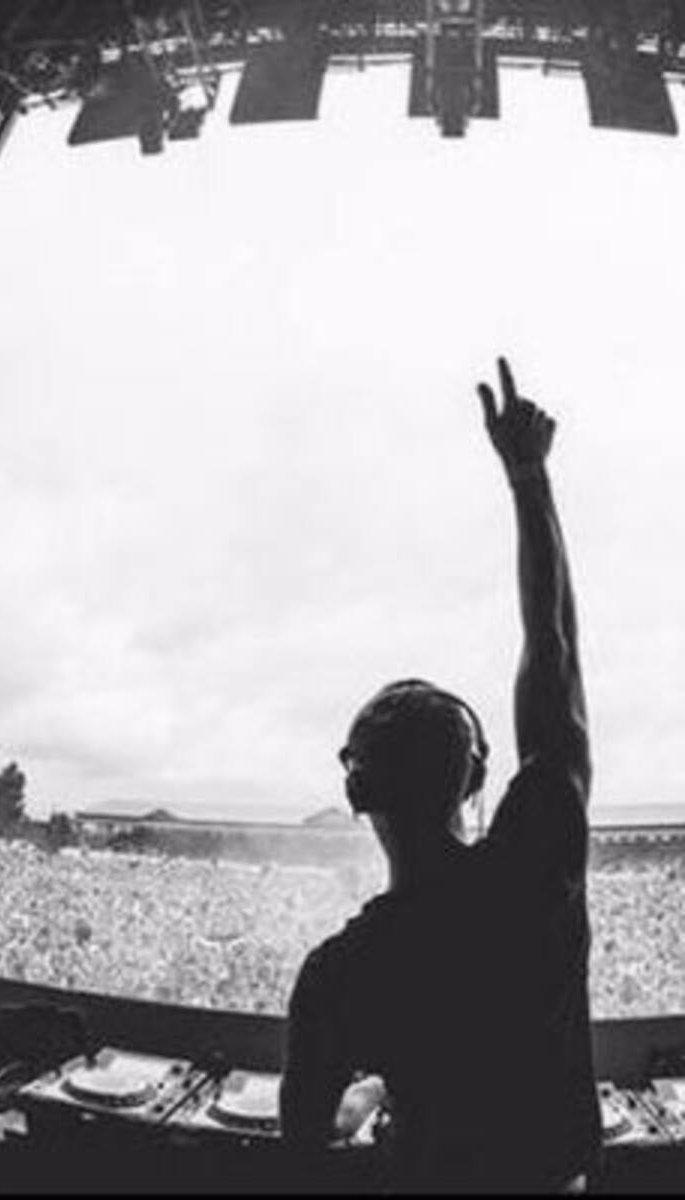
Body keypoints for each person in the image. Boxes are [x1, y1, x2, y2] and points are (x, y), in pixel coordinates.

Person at [278, 358, 601, 1192]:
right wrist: (528, 477)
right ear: (474, 778)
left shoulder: (342, 972)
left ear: (356, 791)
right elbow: (554, 650)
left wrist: (372, 1091)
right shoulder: (537, 868)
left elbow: (308, 1133)